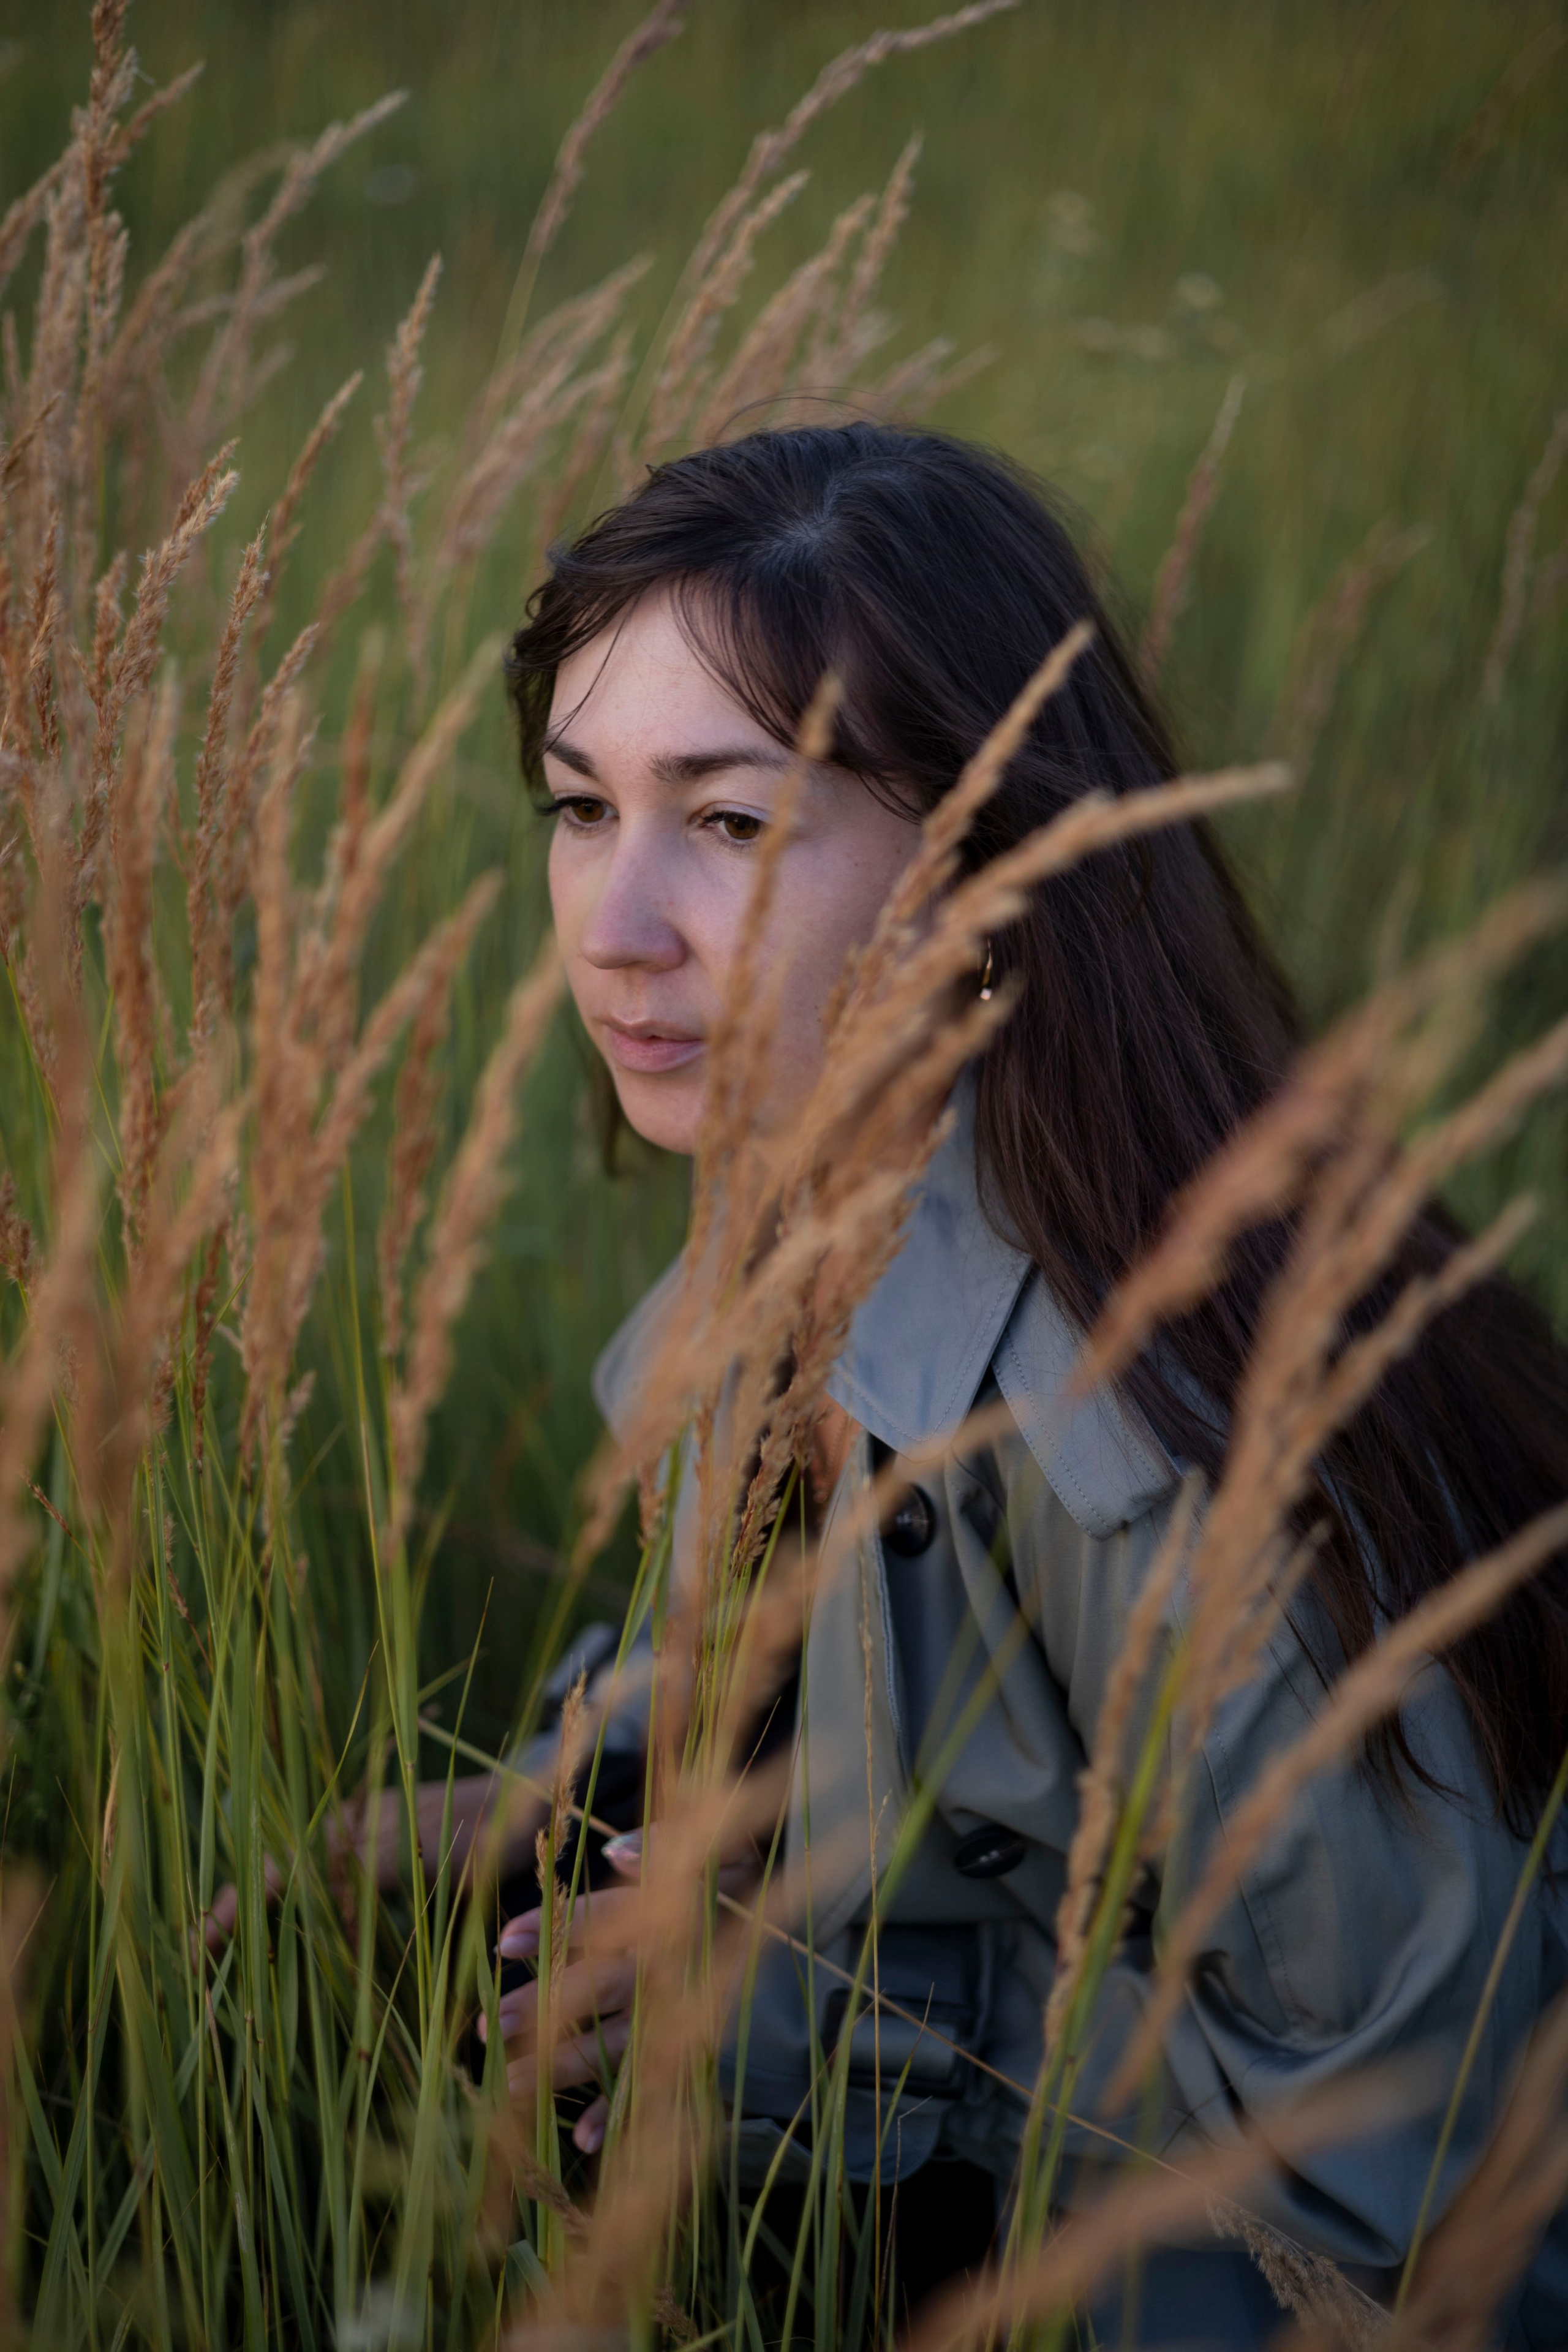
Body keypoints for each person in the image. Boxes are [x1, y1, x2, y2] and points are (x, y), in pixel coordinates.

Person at [352, 425, 1568, 2342]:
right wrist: (538, 1788)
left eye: (730, 822)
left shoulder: (1184, 1469)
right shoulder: (824, 1206)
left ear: (990, 864)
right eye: (582, 809)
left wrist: (846, 2040)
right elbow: (840, 1656)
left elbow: (1428, 2212)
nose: (614, 923)